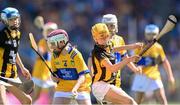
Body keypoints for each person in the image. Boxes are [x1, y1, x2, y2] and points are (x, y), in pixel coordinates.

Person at [91, 23, 141, 104]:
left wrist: (133, 46)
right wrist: (129, 60)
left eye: (106, 36)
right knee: (130, 102)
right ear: (95, 39)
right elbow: (112, 68)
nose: (105, 39)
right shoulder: (98, 53)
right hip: (100, 86)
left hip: (108, 85)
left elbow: (114, 49)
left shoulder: (107, 44)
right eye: (101, 37)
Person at [131, 24, 176, 105]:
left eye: (154, 34)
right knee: (138, 102)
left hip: (154, 75)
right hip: (141, 76)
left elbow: (165, 61)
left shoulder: (158, 47)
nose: (151, 36)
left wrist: (170, 76)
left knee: (162, 99)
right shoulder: (139, 46)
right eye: (149, 34)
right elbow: (132, 61)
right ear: (145, 34)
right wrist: (136, 67)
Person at [46, 29, 92, 105]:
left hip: (80, 88)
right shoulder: (54, 56)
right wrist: (54, 78)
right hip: (63, 88)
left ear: (61, 42)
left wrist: (75, 88)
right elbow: (54, 77)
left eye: (53, 44)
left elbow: (82, 76)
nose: (51, 47)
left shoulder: (75, 54)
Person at [0, 7, 32, 104]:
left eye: (16, 18)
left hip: (12, 74)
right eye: (12, 19)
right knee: (3, 103)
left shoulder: (17, 33)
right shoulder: (1, 35)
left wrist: (22, 67)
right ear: (5, 20)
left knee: (27, 100)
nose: (15, 21)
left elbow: (14, 51)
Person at [31, 21, 58, 104]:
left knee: (54, 95)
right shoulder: (42, 41)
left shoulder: (55, 43)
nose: (50, 32)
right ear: (45, 32)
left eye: (52, 30)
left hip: (49, 74)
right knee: (36, 97)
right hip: (39, 73)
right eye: (49, 30)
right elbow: (40, 55)